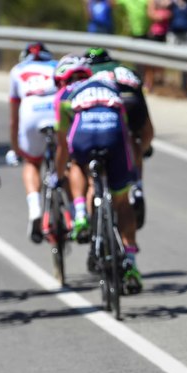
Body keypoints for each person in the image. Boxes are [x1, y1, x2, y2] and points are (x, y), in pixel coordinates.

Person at [53, 55, 143, 294]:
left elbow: (62, 146)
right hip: (114, 133)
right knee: (122, 202)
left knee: (76, 164)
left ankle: (81, 215)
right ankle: (131, 263)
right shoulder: (108, 86)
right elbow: (126, 130)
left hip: (85, 135)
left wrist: (58, 175)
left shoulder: (64, 94)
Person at [85, 47, 153, 229]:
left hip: (108, 108)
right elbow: (147, 125)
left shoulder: (86, 72)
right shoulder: (127, 70)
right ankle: (137, 187)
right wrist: (144, 146)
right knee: (133, 139)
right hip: (132, 103)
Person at [6, 42, 59, 243]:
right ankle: (76, 210)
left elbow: (14, 117)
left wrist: (15, 147)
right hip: (54, 108)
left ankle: (35, 209)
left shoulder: (17, 70)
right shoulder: (56, 65)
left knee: (32, 162)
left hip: (31, 110)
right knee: (68, 160)